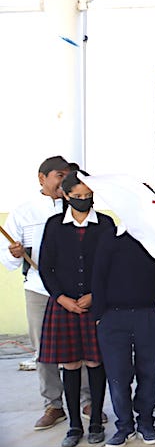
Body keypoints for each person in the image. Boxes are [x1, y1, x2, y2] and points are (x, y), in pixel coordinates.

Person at [0, 156, 96, 430]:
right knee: (45, 350)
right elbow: (8, 261)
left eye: (68, 175)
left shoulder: (79, 205)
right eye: (59, 175)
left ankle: (87, 401)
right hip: (40, 290)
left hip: (77, 292)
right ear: (42, 178)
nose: (64, 181)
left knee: (85, 346)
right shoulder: (23, 212)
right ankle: (53, 404)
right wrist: (15, 254)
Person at [38, 171, 114, 447]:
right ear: (66, 196)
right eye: (78, 196)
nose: (83, 200)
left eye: (88, 196)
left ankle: (95, 420)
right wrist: (61, 297)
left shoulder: (105, 225)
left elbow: (111, 267)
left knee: (96, 361)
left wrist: (96, 295)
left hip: (95, 304)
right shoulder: (55, 225)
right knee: (70, 364)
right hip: (65, 306)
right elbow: (46, 267)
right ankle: (73, 425)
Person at [92, 225, 155, 447]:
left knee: (149, 372)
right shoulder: (109, 236)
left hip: (148, 314)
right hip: (114, 317)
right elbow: (98, 275)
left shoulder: (154, 235)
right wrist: (99, 315)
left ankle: (146, 422)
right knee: (117, 375)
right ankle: (124, 426)